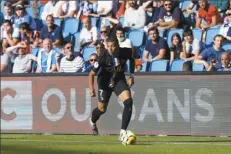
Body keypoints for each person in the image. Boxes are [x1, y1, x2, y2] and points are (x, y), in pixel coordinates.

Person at [88, 38, 135, 141]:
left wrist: (131, 76)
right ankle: (92, 121)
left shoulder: (126, 51)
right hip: (104, 83)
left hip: (118, 80)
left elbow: (132, 59)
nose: (110, 49)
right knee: (102, 109)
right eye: (108, 46)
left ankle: (122, 132)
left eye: (112, 46)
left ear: (117, 45)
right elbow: (91, 74)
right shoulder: (102, 57)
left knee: (128, 102)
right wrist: (91, 89)